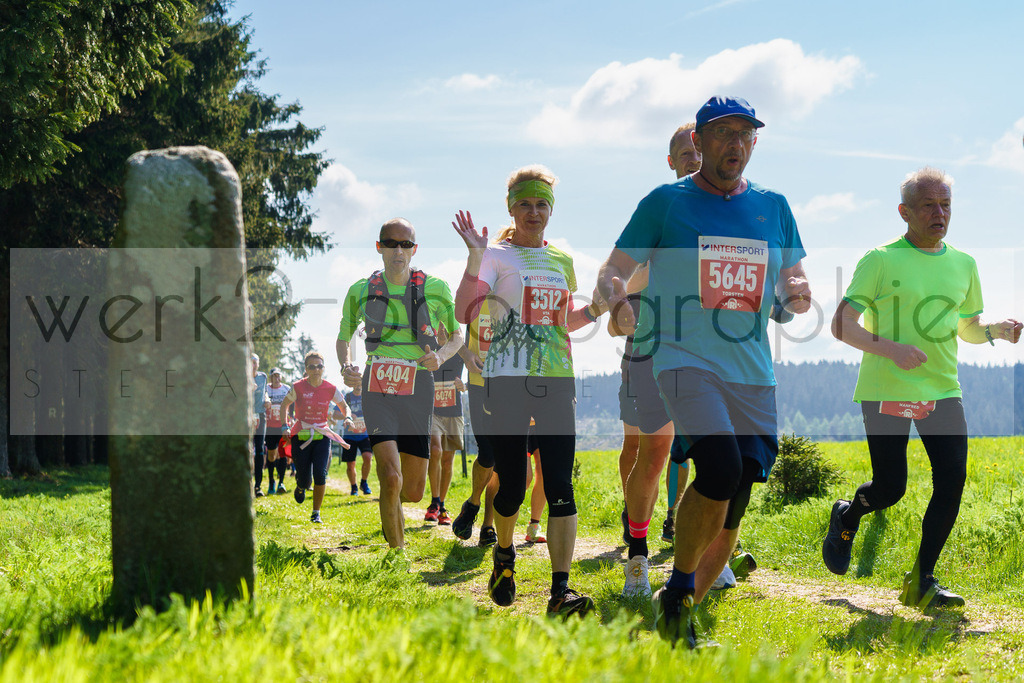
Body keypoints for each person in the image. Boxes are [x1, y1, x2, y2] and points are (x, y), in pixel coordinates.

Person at [600, 96, 811, 647]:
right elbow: (613, 269)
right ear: (698, 141)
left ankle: (679, 606)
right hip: (683, 360)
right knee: (718, 467)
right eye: (722, 133)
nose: (735, 144)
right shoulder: (666, 203)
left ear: (755, 142)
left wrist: (796, 289)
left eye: (745, 134)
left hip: (752, 371)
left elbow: (792, 275)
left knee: (737, 488)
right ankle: (674, 592)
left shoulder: (774, 206)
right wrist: (617, 303)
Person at [823, 167, 1021, 609]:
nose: (940, 213)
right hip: (885, 388)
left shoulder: (964, 264)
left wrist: (996, 330)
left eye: (946, 205)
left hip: (942, 389)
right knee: (890, 488)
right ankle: (848, 515)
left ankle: (921, 580)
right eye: (929, 205)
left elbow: (967, 327)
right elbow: (842, 324)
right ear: (904, 212)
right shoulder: (879, 260)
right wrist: (892, 350)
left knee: (951, 480)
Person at [453, 164, 605, 619]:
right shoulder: (495, 255)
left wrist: (596, 308)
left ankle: (560, 592)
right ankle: (504, 555)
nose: (533, 212)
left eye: (541, 204)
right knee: (514, 486)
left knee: (560, 484)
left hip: (556, 378)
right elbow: (465, 311)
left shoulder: (562, 260)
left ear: (551, 210)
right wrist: (474, 257)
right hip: (506, 379)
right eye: (525, 204)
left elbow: (562, 321)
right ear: (511, 209)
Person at [336, 218, 463, 549]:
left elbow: (457, 336)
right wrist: (346, 365)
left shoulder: (435, 288)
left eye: (405, 244)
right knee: (391, 477)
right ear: (379, 247)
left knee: (414, 491)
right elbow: (344, 337)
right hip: (377, 386)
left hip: (418, 385)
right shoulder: (361, 290)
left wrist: (441, 357)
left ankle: (391, 504)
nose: (398, 250)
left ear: (414, 249)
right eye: (391, 243)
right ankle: (397, 555)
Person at [277, 351, 349, 524]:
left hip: (322, 434)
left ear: (323, 368)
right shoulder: (298, 386)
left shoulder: (330, 388)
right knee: (305, 478)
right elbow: (284, 405)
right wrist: (285, 426)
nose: (316, 369)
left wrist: (347, 417)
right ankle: (300, 486)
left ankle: (316, 513)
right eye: (312, 366)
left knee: (320, 474)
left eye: (319, 366)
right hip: (301, 435)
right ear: (306, 369)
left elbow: (344, 405)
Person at [425, 326, 467, 525]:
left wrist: (464, 386)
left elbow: (476, 371)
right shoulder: (429, 348)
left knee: (448, 460)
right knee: (435, 450)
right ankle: (433, 502)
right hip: (433, 411)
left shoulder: (459, 348)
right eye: (438, 325)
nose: (442, 329)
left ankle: (442, 505)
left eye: (446, 326)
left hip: (454, 411)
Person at [341, 377, 373, 496]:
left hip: (365, 434)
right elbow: (336, 414)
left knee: (368, 457)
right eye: (357, 383)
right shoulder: (347, 397)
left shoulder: (368, 397)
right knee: (350, 464)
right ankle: (354, 487)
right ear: (353, 384)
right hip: (350, 436)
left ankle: (364, 483)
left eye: (361, 383)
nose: (359, 386)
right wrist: (348, 416)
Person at [264, 368, 291, 495]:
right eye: (274, 376)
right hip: (270, 427)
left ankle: (281, 482)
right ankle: (271, 481)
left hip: (283, 426)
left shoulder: (286, 388)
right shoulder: (266, 389)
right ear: (271, 377)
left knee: (282, 453)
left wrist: (292, 418)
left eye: (278, 376)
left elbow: (292, 405)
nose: (277, 378)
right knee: (271, 455)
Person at [251, 353, 270, 497]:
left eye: (255, 362)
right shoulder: (241, 377)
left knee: (259, 449)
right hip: (245, 417)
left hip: (260, 416)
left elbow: (265, 392)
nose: (253, 365)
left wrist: (267, 399)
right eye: (250, 362)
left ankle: (258, 486)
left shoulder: (263, 377)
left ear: (258, 364)